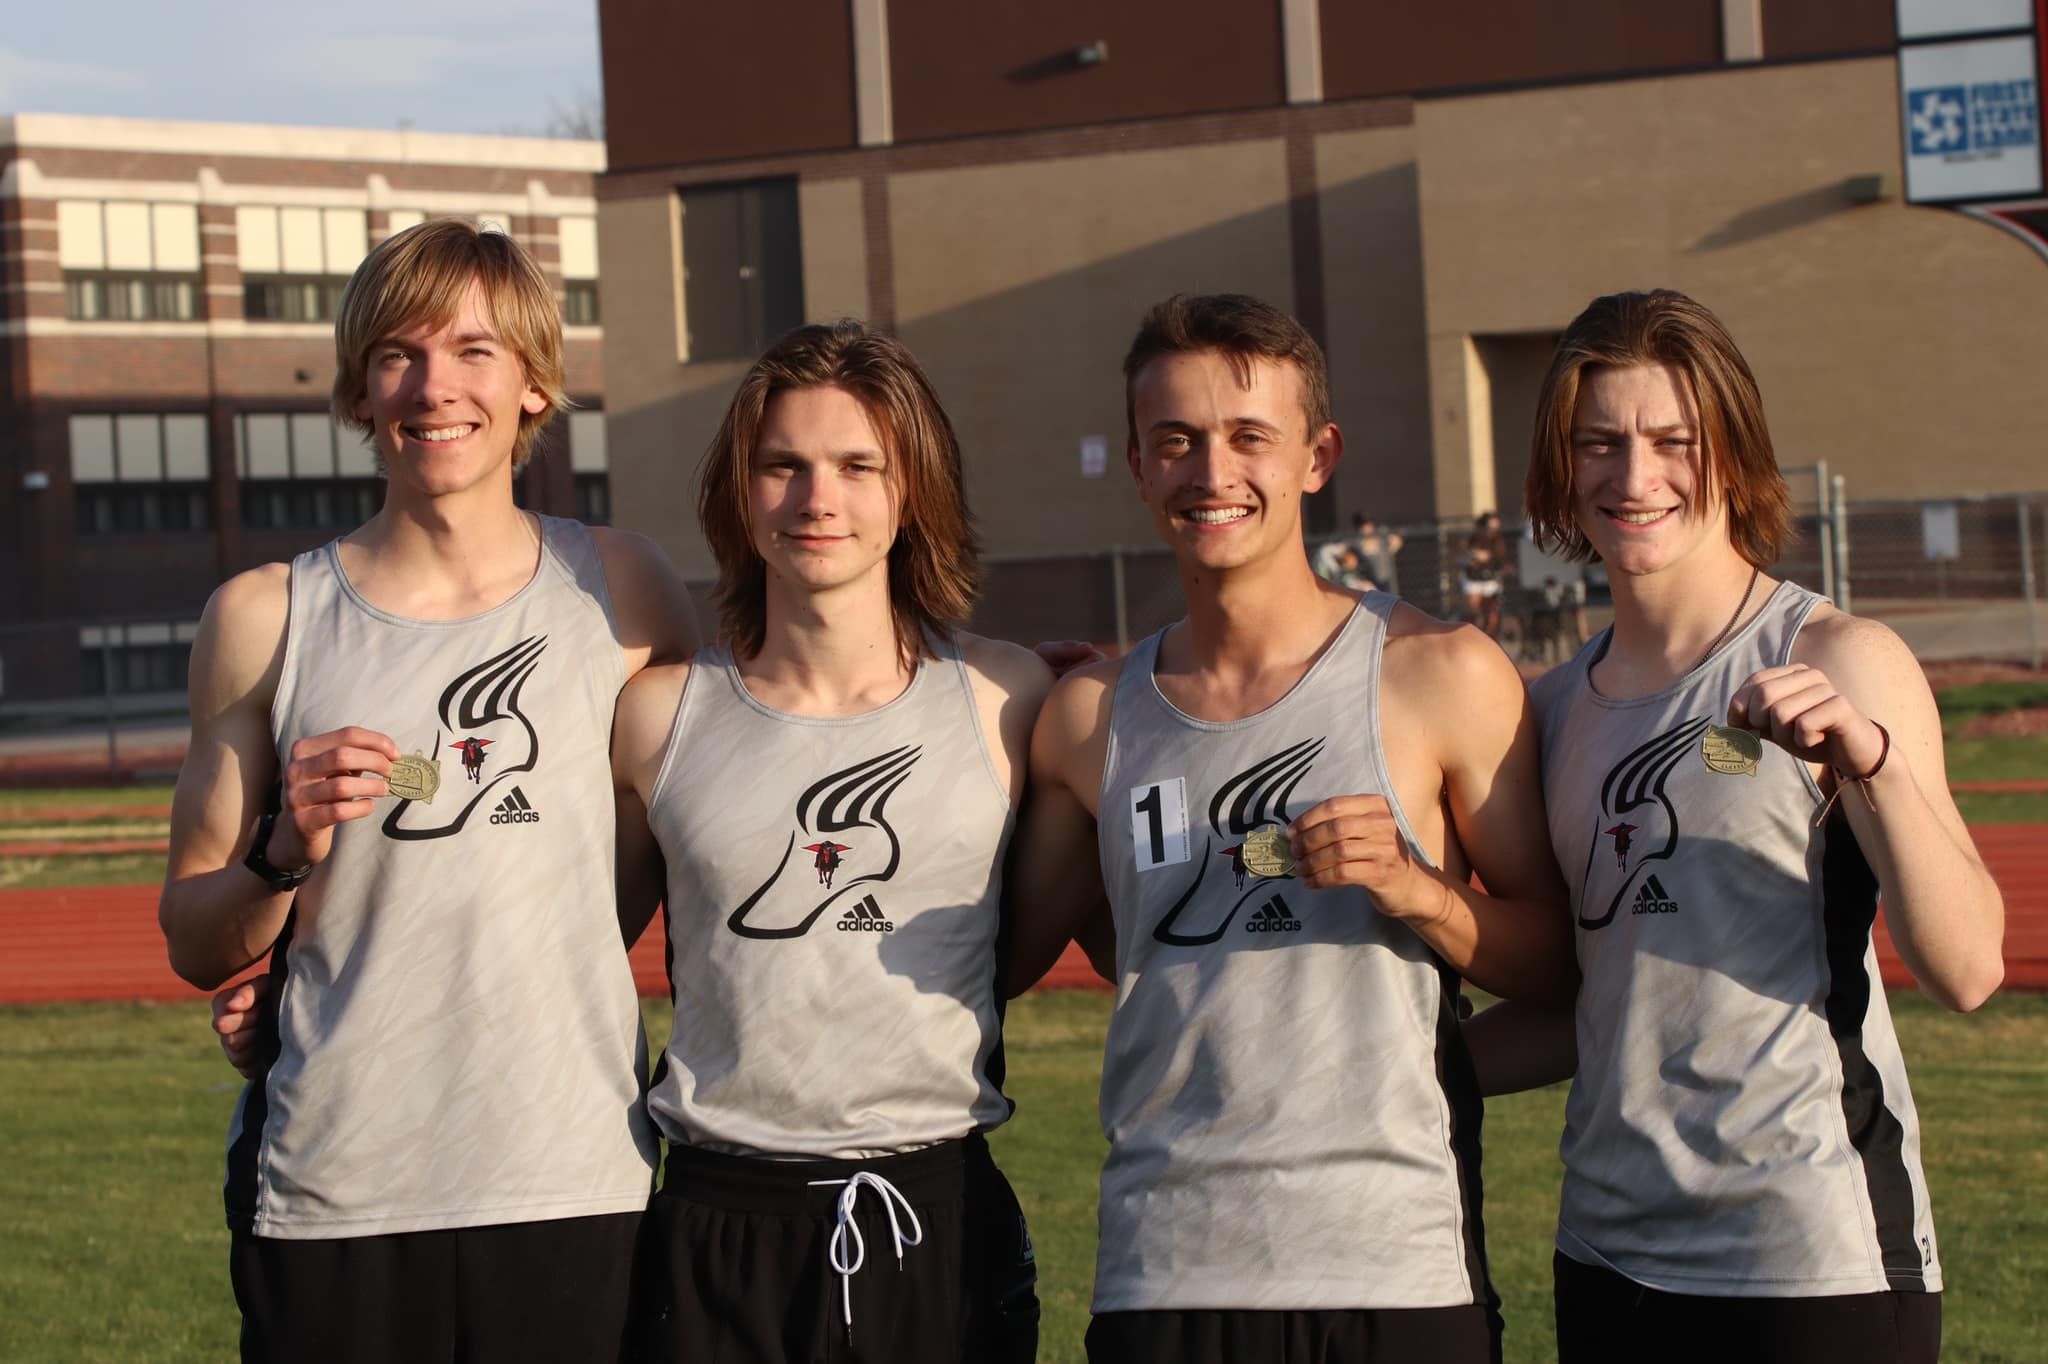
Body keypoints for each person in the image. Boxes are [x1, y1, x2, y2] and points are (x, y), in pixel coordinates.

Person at [160, 220, 698, 1363]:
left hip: (573, 1170)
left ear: (533, 383)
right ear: (360, 385)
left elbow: (671, 861)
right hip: (336, 1183)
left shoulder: (626, 590)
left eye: (473, 350)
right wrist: (279, 861)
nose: (434, 385)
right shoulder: (264, 618)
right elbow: (195, 936)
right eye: (399, 353)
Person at [1004, 293, 1576, 1363]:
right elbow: (997, 958)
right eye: (1173, 439)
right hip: (1162, 1267)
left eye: (1245, 437)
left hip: (1395, 1269)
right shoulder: (1086, 719)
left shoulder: (1438, 675)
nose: (1209, 472)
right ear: (1136, 462)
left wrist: (1421, 892)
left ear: (1317, 456)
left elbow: (1565, 967)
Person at [1477, 288, 2004, 1364]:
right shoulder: (1548, 710)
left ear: (1731, 449)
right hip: (1603, 1257)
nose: (1633, 477)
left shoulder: (1836, 656)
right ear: (1556, 466)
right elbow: (1587, 1003)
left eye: (1673, 440)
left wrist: (1874, 767)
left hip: (1807, 1255)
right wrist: (1379, 1069)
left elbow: (1968, 966)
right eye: (1598, 443)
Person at [612, 321, 1045, 1362]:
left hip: (932, 1218)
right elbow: (552, 939)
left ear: (912, 490)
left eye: (858, 465)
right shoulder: (656, 715)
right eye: (783, 465)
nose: (818, 499)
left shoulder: (1009, 697)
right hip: (718, 1219)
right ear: (738, 489)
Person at [1460, 511, 1509, 637]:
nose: (1493, 530)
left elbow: (1500, 559)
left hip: (1490, 579)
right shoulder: (1475, 538)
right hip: (1474, 578)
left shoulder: (1498, 540)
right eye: (1490, 526)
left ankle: (1489, 637)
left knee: (1491, 613)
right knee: (1474, 612)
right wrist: (1475, 555)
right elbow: (1466, 554)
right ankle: (1473, 637)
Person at [1357, 514, 1404, 597]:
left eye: (1367, 524)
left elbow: (1397, 540)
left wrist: (1390, 552)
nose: (1365, 528)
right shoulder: (1359, 540)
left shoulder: (1380, 534)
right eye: (1363, 525)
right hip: (1370, 578)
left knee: (1389, 599)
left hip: (1386, 577)